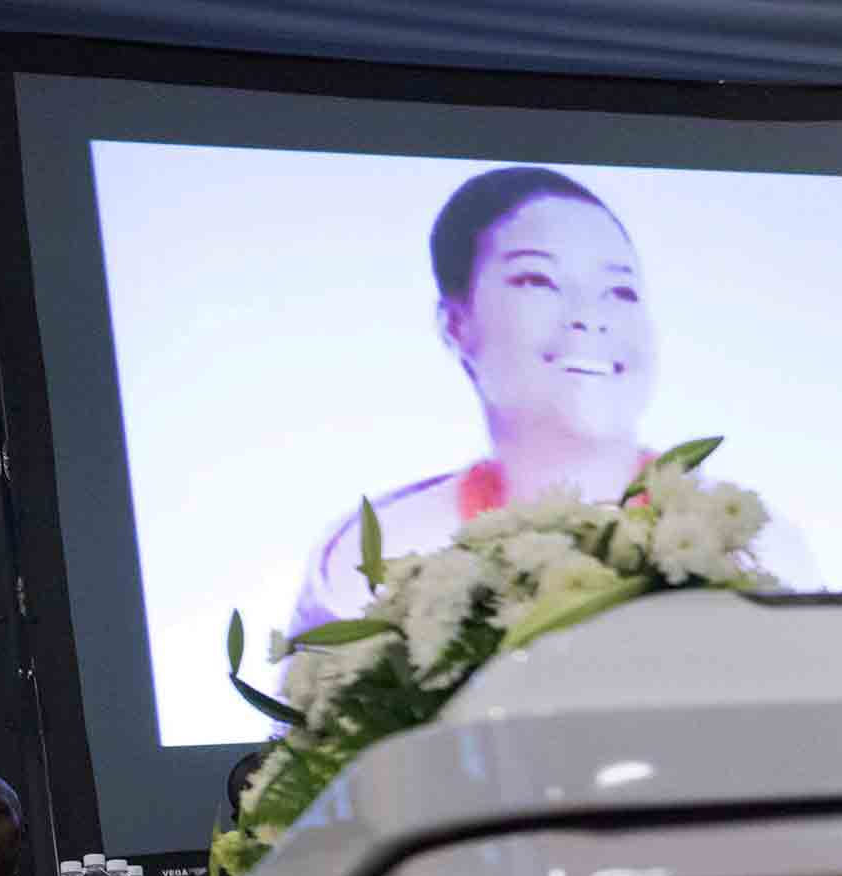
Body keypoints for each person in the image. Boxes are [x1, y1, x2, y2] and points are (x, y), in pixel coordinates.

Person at [292, 165, 813, 632]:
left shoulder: (752, 548)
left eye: (621, 291)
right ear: (456, 324)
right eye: (539, 280)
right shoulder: (384, 556)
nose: (591, 315)